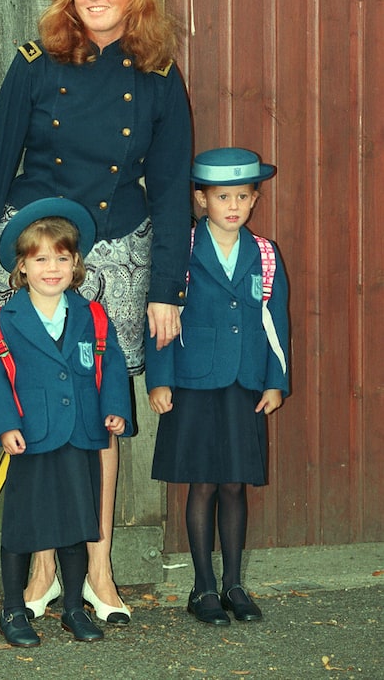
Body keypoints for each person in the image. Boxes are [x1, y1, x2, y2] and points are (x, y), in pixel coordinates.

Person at [0, 0, 192, 622]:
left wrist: (166, 288)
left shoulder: (158, 75)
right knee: (28, 407)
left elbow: (173, 186)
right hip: (37, 248)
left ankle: (96, 568)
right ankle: (36, 570)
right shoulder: (35, 63)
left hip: (119, 250)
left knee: (100, 416)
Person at [145, 147, 290, 626]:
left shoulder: (264, 255)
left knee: (234, 484)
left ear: (253, 201)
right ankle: (202, 587)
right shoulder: (181, 251)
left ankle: (234, 584)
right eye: (222, 196)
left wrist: (276, 381)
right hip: (192, 384)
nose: (233, 206)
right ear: (202, 198)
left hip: (244, 384)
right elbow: (162, 318)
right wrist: (160, 379)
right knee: (202, 484)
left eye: (243, 197)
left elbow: (276, 323)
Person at [0, 198, 133, 646]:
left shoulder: (92, 316)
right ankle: (13, 610)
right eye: (40, 258)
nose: (52, 268)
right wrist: (6, 425)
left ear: (75, 265)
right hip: (29, 436)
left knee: (76, 523)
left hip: (82, 433)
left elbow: (113, 364)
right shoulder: (2, 322)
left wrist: (115, 408)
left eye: (61, 258)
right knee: (24, 525)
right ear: (22, 268)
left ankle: (72, 608)